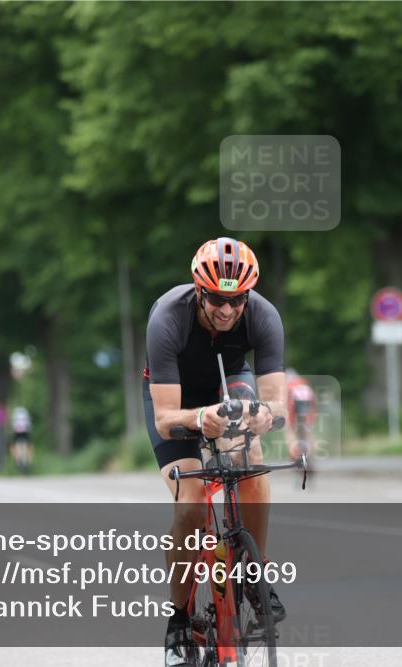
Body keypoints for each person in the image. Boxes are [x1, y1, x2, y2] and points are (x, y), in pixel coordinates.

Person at [143, 237, 287, 666]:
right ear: (199, 290)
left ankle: (251, 574)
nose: (227, 310)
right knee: (190, 502)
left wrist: (265, 415)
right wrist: (198, 417)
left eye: (237, 300)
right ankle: (179, 618)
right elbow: (166, 417)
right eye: (217, 299)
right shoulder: (168, 317)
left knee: (253, 468)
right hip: (175, 395)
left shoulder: (264, 316)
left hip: (229, 379)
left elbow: (277, 403)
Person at [284, 368, 317, 461]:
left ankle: (294, 455)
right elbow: (313, 399)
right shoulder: (303, 382)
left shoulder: (287, 384)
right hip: (307, 402)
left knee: (290, 430)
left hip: (294, 401)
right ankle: (310, 456)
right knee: (307, 431)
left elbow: (286, 402)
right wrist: (312, 418)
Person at [10, 406, 33, 472]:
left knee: (14, 446)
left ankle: (18, 459)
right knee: (29, 446)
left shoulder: (15, 413)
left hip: (17, 433)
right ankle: (29, 461)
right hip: (25, 432)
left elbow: (13, 425)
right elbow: (29, 424)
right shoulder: (25, 412)